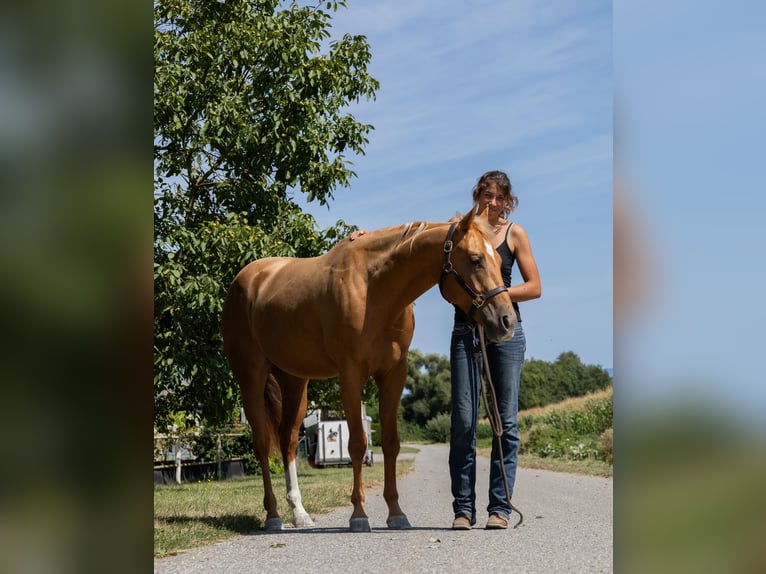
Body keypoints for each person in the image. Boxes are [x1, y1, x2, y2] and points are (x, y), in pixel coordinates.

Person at [449, 169, 541, 530]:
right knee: (464, 422)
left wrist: (494, 295)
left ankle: (499, 509)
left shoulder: (515, 233)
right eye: (487, 195)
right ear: (477, 197)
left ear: (508, 200)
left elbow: (534, 287)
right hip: (465, 331)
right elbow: (417, 241)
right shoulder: (461, 228)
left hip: (504, 333)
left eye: (499, 197)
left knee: (506, 423)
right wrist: (362, 235)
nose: (493, 202)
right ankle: (463, 509)